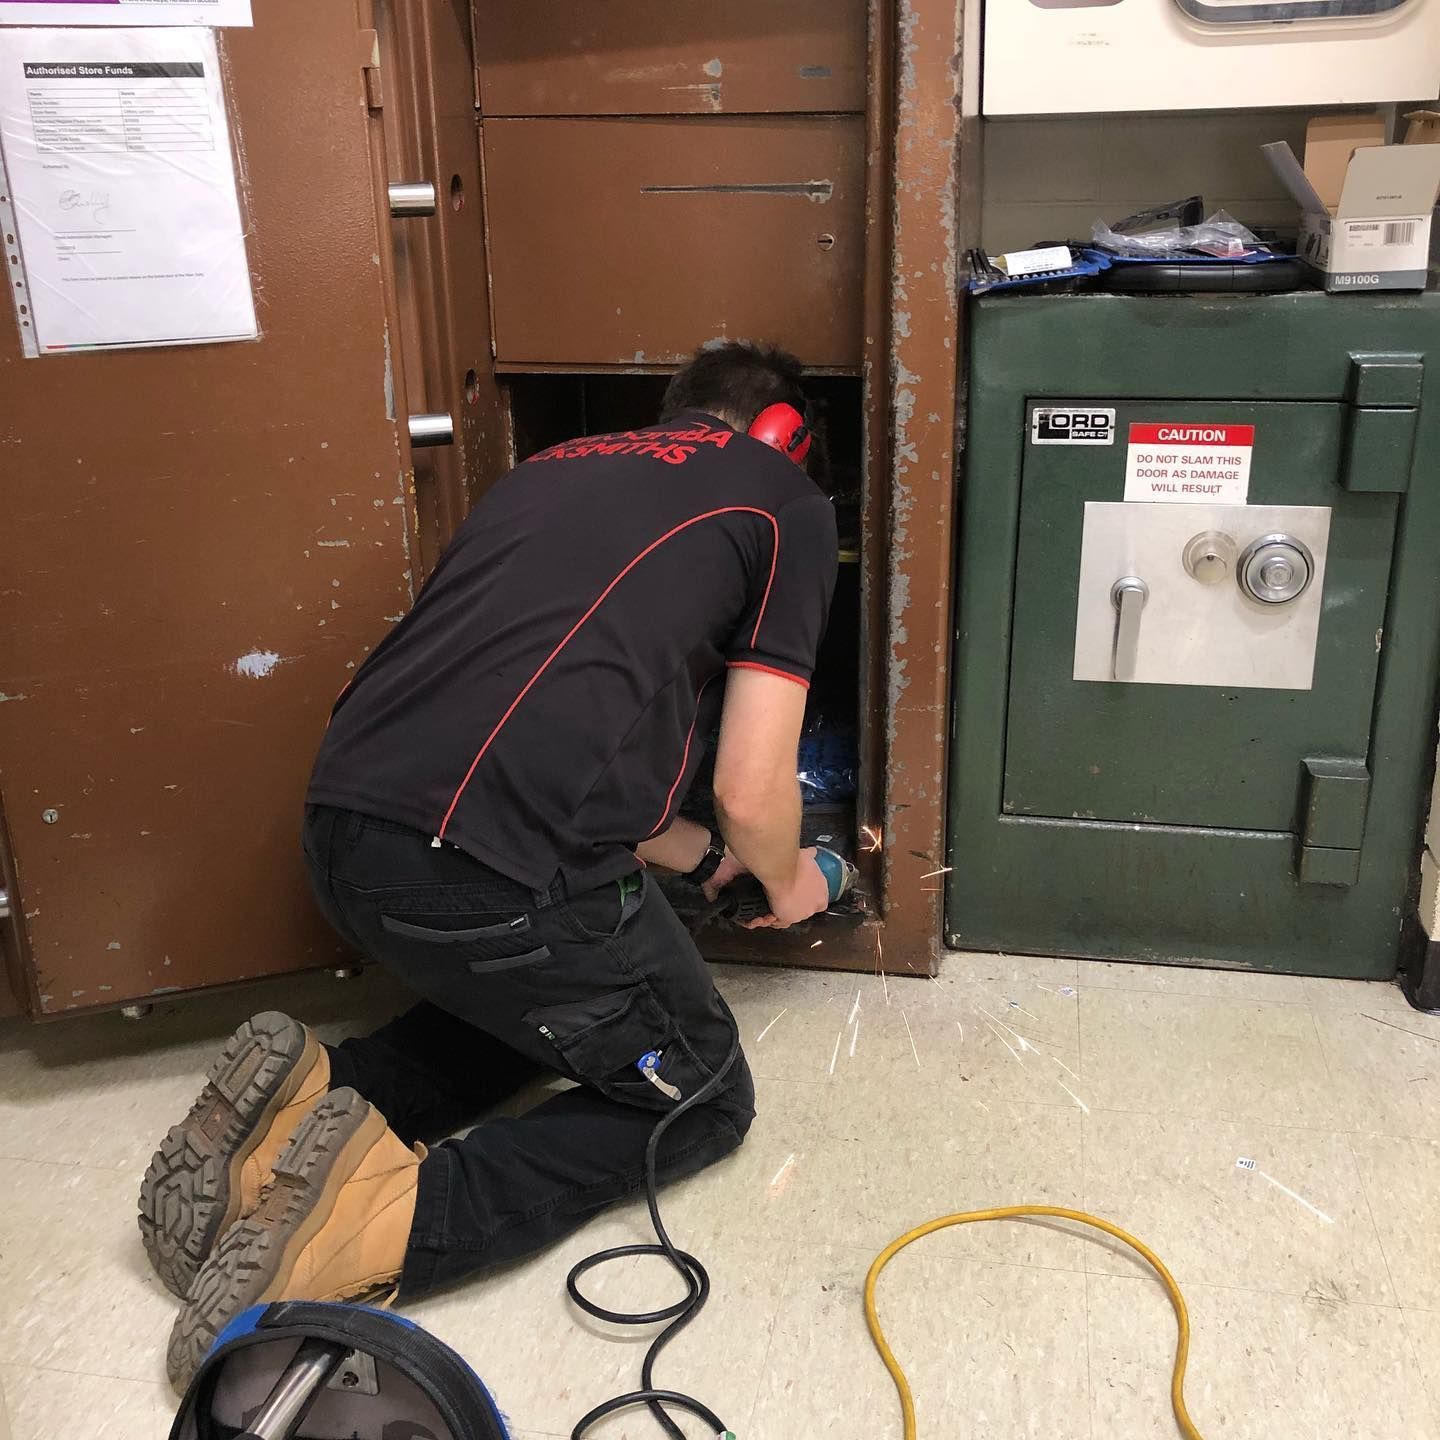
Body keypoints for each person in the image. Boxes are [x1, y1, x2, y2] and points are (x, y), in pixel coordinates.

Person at [141, 340, 841, 1388]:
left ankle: (306, 1104)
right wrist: (796, 882)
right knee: (697, 1089)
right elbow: (751, 787)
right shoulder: (783, 499)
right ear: (786, 434)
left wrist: (698, 858)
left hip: (346, 842)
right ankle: (370, 1225)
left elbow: (541, 723)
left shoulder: (545, 471)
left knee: (558, 1011)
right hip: (488, 879)